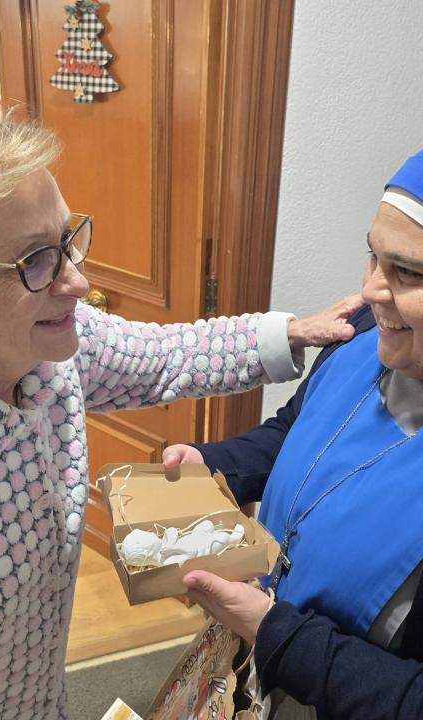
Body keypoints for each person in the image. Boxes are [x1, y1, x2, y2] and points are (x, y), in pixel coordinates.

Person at [0, 95, 361, 720]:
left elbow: (164, 355)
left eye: (66, 240)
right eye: (34, 260)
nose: (77, 282)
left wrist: (292, 332)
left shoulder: (53, 352)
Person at [164, 148, 423, 719]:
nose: (373, 289)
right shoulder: (359, 329)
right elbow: (291, 432)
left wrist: (277, 633)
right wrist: (211, 467)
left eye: (408, 272)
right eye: (372, 256)